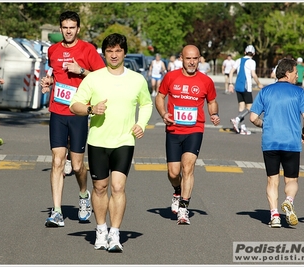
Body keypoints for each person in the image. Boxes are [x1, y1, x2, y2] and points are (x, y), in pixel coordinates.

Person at [70, 33, 153, 251]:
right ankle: (100, 229)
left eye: (118, 51)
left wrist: (141, 124)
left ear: (124, 53)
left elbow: (146, 104)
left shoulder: (137, 79)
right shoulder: (94, 78)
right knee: (100, 188)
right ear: (104, 53)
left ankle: (115, 234)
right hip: (98, 140)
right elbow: (74, 105)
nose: (114, 55)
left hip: (125, 140)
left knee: (118, 187)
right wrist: (90, 109)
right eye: (109, 51)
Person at [40, 11, 106, 227]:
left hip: (78, 113)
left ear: (78, 29)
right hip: (57, 111)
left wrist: (82, 70)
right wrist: (48, 82)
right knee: (57, 159)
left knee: (77, 166)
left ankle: (84, 195)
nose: (68, 31)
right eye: (65, 27)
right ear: (60, 29)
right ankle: (57, 211)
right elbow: (53, 72)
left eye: (72, 27)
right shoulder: (53, 50)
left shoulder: (87, 49)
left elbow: (103, 76)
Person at [155, 45, 220, 225]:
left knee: (188, 167)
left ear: (200, 59)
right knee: (173, 172)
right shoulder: (170, 77)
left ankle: (184, 208)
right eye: (188, 58)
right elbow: (160, 97)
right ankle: (177, 190)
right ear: (181, 59)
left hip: (194, 130)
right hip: (174, 130)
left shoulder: (206, 81)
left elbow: (212, 101)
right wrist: (163, 114)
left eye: (195, 58)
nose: (192, 62)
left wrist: (213, 114)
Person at [249, 58, 304, 228]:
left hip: (270, 141)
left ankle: (275, 215)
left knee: (272, 180)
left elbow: (253, 117)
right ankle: (289, 201)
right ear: (287, 73)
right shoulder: (299, 93)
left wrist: (264, 125)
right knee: (291, 180)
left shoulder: (265, 91)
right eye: (295, 73)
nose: (297, 76)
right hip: (291, 142)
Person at [228, 45, 264, 135]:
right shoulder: (252, 62)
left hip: (238, 86)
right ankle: (237, 119)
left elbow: (231, 71)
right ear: (254, 53)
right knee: (250, 108)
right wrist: (258, 83)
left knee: (241, 107)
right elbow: (253, 74)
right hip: (246, 87)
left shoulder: (238, 60)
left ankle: (242, 128)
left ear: (245, 52)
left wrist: (230, 84)